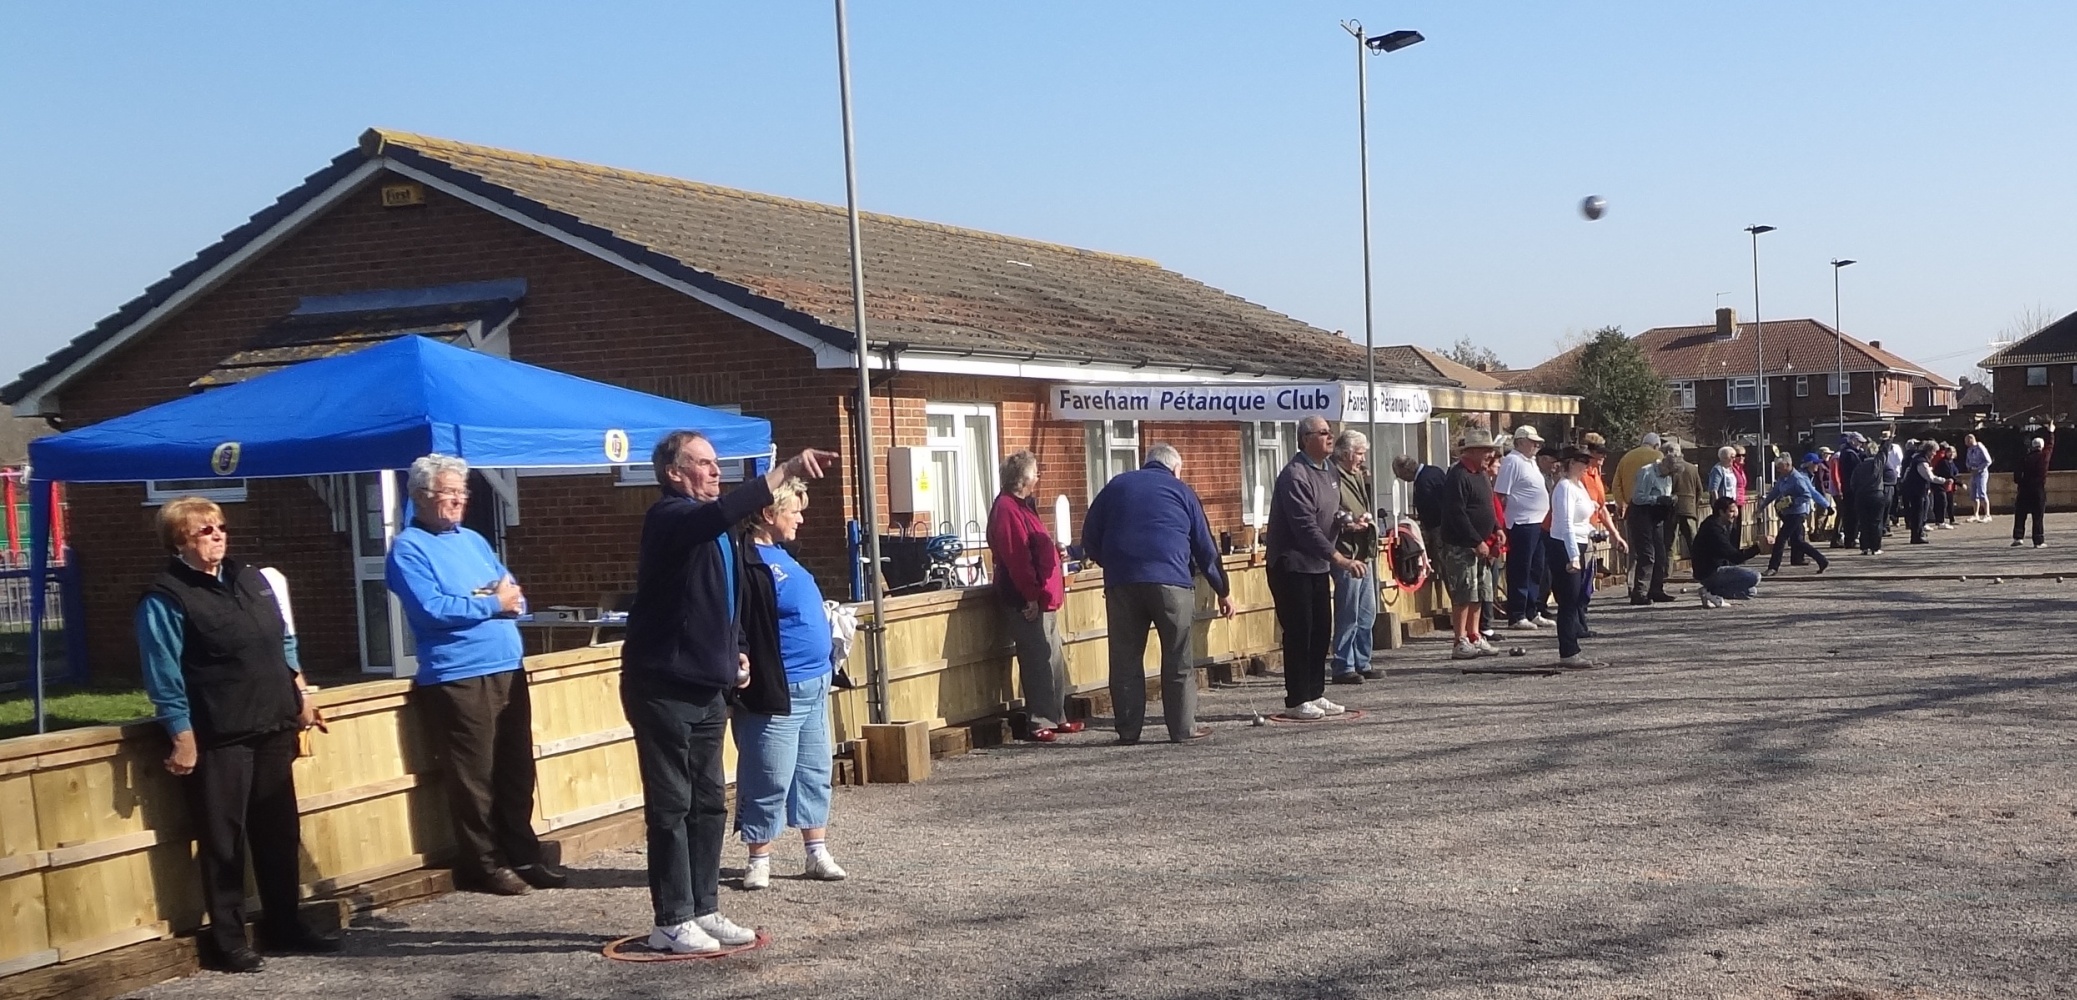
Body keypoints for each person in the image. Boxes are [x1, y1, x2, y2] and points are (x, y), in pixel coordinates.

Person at [621, 432, 837, 955]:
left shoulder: (720, 535)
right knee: (672, 806)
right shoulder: (671, 517)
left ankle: (703, 908)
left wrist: (737, 650)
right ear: (674, 472)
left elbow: (728, 599)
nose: (716, 472)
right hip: (662, 688)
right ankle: (670, 919)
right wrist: (784, 471)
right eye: (704, 464)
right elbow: (717, 515)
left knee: (710, 804)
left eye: (718, 464)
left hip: (708, 688)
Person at [136, 498, 338, 973]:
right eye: (205, 530)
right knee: (224, 841)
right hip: (219, 733)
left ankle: (285, 925)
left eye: (221, 527)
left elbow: (283, 639)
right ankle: (229, 940)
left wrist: (301, 691)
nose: (217, 536)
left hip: (272, 722)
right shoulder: (165, 597)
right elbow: (162, 670)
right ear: (179, 540)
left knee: (280, 831)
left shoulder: (251, 577)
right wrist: (180, 733)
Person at [386, 454, 563, 897]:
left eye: (462, 493)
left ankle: (523, 852)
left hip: (507, 665)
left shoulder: (475, 540)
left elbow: (513, 592)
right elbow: (432, 610)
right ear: (422, 497)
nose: (458, 501)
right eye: (449, 493)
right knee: (475, 778)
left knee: (516, 769)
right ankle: (484, 864)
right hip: (458, 675)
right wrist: (489, 603)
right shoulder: (409, 549)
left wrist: (492, 600)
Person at [735, 478, 847, 889]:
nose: (801, 518)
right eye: (793, 511)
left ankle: (816, 851)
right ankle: (758, 858)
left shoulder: (783, 553)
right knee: (768, 774)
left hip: (815, 685)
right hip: (776, 690)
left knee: (814, 771)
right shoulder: (745, 560)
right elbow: (739, 622)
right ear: (768, 514)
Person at [1084, 443, 1236, 741]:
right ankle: (1182, 729)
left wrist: (1114, 563)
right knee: (1178, 658)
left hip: (1122, 582)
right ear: (1175, 469)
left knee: (1125, 660)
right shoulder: (1182, 491)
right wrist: (1223, 590)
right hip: (1171, 580)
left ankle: (1128, 731)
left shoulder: (1116, 485)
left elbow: (1089, 536)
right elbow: (1206, 549)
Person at [1264, 418, 1362, 719]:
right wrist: (1339, 558)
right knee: (1299, 631)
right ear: (1306, 439)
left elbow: (1331, 511)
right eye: (1323, 433)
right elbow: (1305, 526)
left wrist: (1348, 522)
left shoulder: (1329, 470)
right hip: (1292, 564)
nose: (1330, 437)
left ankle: (1315, 692)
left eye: (1330, 432)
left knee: (1321, 630)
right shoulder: (1295, 475)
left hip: (1317, 565)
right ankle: (1297, 698)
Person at [986, 450, 1080, 743]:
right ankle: (1039, 718)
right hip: (1026, 597)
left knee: (1052, 656)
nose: (1039, 477)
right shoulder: (1007, 509)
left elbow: (1035, 547)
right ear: (1025, 478)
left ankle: (1057, 714)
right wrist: (1030, 597)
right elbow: (1016, 558)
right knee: (1037, 656)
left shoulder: (1023, 507)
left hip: (1044, 595)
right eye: (1037, 472)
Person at [1438, 429, 1501, 660]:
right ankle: (1460, 640)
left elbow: (1488, 506)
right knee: (1464, 593)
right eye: (1485, 450)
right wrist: (1476, 541)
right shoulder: (1458, 476)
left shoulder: (1482, 475)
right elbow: (1457, 514)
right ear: (1472, 451)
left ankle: (1475, 635)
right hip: (1461, 546)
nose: (1490, 454)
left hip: (1482, 545)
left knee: (1480, 592)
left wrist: (1497, 529)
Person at [1328, 430, 1382, 684]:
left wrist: (1366, 518)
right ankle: (1343, 664)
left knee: (1367, 612)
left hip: (1364, 550)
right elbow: (1329, 508)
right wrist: (1350, 522)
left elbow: (1362, 503)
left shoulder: (1358, 474)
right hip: (1347, 551)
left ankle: (1363, 660)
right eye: (1359, 454)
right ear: (1347, 452)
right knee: (1348, 611)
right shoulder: (1331, 474)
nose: (1362, 459)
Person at [1547, 447, 1603, 667]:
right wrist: (1573, 556)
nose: (1586, 466)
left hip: (1579, 542)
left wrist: (1593, 532)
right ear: (1570, 463)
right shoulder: (1564, 488)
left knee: (1576, 597)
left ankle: (1572, 648)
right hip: (1563, 545)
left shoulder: (1579, 486)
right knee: (1568, 600)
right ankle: (1568, 651)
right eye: (1581, 461)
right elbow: (1567, 524)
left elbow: (1581, 521)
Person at [1493, 425, 1552, 630]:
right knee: (1521, 568)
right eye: (1532, 441)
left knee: (1537, 568)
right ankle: (1517, 613)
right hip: (1521, 523)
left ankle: (1531, 610)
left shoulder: (1532, 462)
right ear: (1520, 442)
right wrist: (1500, 525)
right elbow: (1500, 495)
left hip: (1538, 522)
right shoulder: (1512, 461)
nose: (1537, 445)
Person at [1762, 455, 1833, 574]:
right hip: (1788, 513)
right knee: (1798, 542)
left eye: (1780, 467)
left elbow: (1807, 495)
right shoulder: (1783, 478)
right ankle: (1821, 560)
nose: (1778, 470)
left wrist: (1793, 501)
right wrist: (1763, 505)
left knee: (1781, 539)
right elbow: (1775, 492)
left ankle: (1773, 567)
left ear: (1787, 465)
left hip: (1797, 513)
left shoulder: (1797, 478)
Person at [1625, 447, 1677, 605]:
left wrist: (1669, 500)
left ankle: (1656, 589)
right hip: (1641, 513)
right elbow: (1638, 497)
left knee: (1660, 553)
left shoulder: (1667, 476)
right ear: (1665, 465)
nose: (1670, 476)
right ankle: (1639, 592)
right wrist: (1657, 499)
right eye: (1670, 472)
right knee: (1647, 554)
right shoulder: (1646, 472)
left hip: (1656, 515)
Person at [1693, 496, 1763, 608]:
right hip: (1710, 572)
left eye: (1735, 511)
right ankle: (1711, 591)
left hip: (1709, 570)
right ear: (1721, 512)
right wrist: (1758, 548)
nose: (1735, 515)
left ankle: (1710, 592)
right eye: (1731, 511)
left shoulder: (1718, 524)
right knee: (1755, 576)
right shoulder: (1714, 530)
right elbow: (1735, 557)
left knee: (1751, 591)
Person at [2013, 422, 2056, 547]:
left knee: (2020, 514)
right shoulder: (2044, 456)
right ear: (2041, 447)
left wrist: (2020, 482)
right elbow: (2050, 446)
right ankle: (2038, 540)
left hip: (2024, 488)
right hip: (2038, 488)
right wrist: (2051, 432)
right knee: (2038, 516)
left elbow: (2017, 474)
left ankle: (2018, 537)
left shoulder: (2024, 457)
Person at [1898, 441, 1947, 545]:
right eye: (1934, 452)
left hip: (1916, 489)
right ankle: (1917, 536)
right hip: (1916, 490)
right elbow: (1929, 477)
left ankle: (1918, 533)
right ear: (1929, 451)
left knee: (1919, 512)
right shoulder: (1921, 461)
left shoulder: (1917, 459)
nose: (1935, 454)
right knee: (1918, 513)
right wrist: (1944, 480)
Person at [1393, 453, 1448, 544]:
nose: (1402, 479)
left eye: (1399, 475)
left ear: (1405, 470)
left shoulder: (1422, 482)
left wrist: (1423, 519)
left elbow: (1432, 507)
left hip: (1437, 529)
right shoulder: (1435, 470)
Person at [1846, 438, 1888, 556]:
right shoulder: (1877, 463)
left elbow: (1852, 483)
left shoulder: (1859, 466)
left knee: (1863, 522)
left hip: (1861, 495)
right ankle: (1875, 547)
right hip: (1876, 494)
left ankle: (1864, 547)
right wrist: (1888, 439)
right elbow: (1884, 451)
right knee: (1876, 521)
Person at [1669, 443, 1703, 562]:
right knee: (1694, 542)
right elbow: (1699, 490)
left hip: (1672, 509)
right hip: (1689, 508)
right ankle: (1699, 569)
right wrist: (1694, 505)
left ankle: (1666, 572)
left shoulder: (1669, 469)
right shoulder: (1692, 468)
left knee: (1669, 543)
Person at [1832, 436, 1865, 549]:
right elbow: (1859, 467)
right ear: (1853, 441)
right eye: (1859, 442)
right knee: (1851, 515)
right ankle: (1851, 539)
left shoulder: (1846, 453)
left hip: (1848, 487)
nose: (1861, 445)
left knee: (1848, 515)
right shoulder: (1849, 454)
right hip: (1851, 488)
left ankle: (1849, 538)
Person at [1964, 432, 1994, 523]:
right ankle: (1975, 514)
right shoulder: (1969, 450)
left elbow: (1988, 461)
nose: (1965, 443)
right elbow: (1967, 460)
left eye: (1966, 441)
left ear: (1971, 439)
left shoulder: (1980, 447)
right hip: (1973, 473)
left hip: (1981, 473)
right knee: (1973, 494)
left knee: (1982, 492)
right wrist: (1969, 467)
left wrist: (1979, 469)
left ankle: (1987, 514)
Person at [1879, 430, 1904, 535]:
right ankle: (1885, 526)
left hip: (1894, 478)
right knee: (1886, 505)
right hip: (1885, 482)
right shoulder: (1881, 451)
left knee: (1893, 502)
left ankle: (1889, 523)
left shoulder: (1895, 448)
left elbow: (1899, 461)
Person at [1931, 442, 1961, 529]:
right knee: (1942, 503)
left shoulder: (1951, 462)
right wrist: (1960, 483)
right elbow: (1948, 474)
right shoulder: (1943, 462)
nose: (1951, 454)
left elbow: (1955, 472)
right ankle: (1940, 521)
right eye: (1949, 452)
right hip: (1941, 484)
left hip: (1949, 485)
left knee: (1949, 502)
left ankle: (1951, 519)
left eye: (1953, 452)